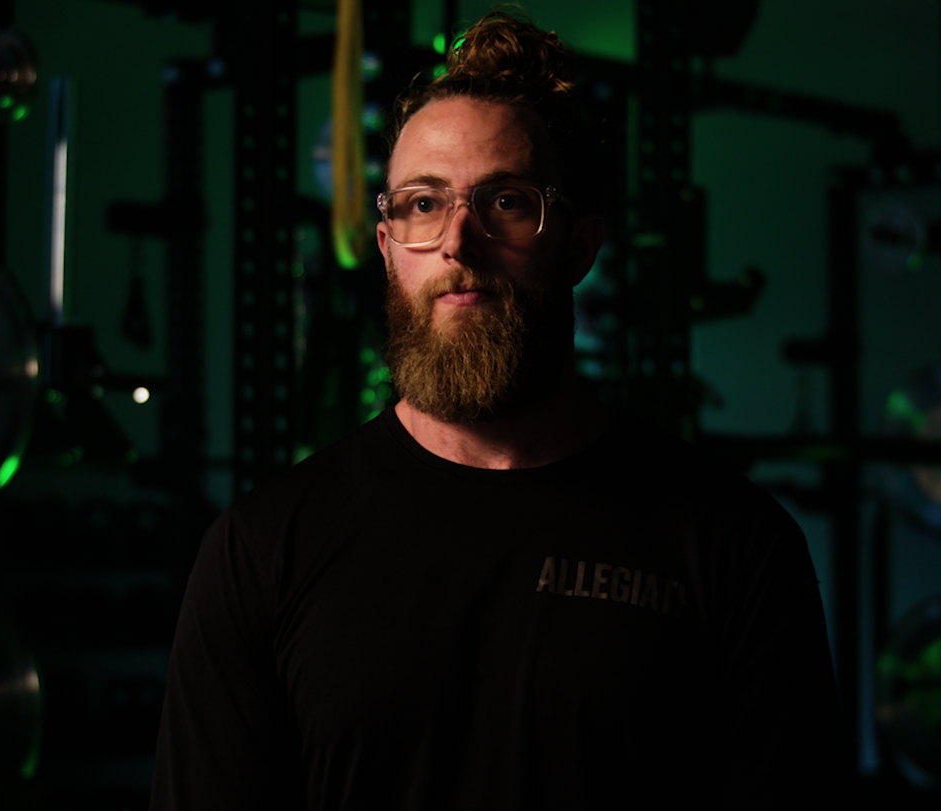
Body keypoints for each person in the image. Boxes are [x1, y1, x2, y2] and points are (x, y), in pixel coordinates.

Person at [151, 10, 840, 810]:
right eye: (422, 204)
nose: (458, 241)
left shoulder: (733, 545)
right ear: (387, 247)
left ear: (578, 245)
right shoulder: (263, 550)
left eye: (505, 201)